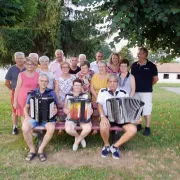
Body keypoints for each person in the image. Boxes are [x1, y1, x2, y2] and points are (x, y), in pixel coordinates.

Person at [97, 74, 138, 159]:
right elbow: (99, 104)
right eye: (110, 81)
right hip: (108, 117)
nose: (112, 83)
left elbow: (129, 107)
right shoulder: (102, 91)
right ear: (107, 83)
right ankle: (107, 145)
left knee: (133, 129)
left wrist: (136, 117)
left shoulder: (124, 92)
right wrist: (102, 116)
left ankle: (115, 146)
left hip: (121, 117)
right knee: (103, 126)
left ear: (117, 83)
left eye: (114, 81)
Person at [22, 74, 58, 161]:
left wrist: (55, 111)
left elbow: (55, 107)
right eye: (42, 81)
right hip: (34, 118)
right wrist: (27, 116)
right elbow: (26, 107)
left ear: (48, 83)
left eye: (46, 81)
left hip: (48, 119)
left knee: (51, 128)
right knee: (25, 128)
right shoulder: (32, 93)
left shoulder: (52, 93)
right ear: (38, 81)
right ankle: (32, 150)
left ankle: (40, 150)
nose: (44, 83)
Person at [131, 47, 158, 136]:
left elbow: (155, 79)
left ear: (146, 55)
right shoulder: (134, 65)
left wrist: (148, 86)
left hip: (146, 92)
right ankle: (139, 125)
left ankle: (147, 127)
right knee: (137, 109)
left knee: (146, 110)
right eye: (138, 53)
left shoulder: (151, 65)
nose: (139, 54)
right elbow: (131, 78)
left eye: (141, 53)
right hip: (135, 91)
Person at [64, 79, 93, 151]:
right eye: (75, 85)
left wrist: (91, 111)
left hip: (83, 118)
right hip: (71, 118)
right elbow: (64, 108)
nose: (77, 87)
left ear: (81, 86)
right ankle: (80, 137)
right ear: (73, 86)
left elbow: (90, 108)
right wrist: (66, 110)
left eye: (79, 85)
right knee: (68, 129)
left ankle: (76, 142)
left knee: (88, 128)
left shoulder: (86, 96)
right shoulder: (68, 96)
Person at [5, 52, 26, 134]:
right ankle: (15, 127)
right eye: (18, 58)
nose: (20, 60)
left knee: (26, 109)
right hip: (15, 92)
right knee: (15, 109)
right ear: (15, 59)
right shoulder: (12, 69)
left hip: (26, 93)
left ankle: (26, 126)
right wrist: (13, 89)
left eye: (21, 58)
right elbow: (7, 83)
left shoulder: (28, 68)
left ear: (24, 59)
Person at [13, 57, 39, 123]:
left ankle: (31, 130)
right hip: (22, 98)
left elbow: (39, 86)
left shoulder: (37, 74)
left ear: (34, 65)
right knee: (24, 115)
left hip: (34, 97)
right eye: (27, 64)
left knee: (32, 114)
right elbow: (17, 88)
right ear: (25, 65)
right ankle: (25, 130)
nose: (29, 66)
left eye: (31, 64)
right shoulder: (21, 75)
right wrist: (15, 101)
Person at [90, 61, 109, 134]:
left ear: (106, 67)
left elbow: (110, 88)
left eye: (102, 66)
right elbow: (91, 88)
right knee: (95, 114)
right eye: (99, 67)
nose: (101, 68)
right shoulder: (95, 76)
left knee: (105, 114)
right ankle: (95, 128)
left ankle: (105, 126)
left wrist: (101, 97)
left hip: (105, 98)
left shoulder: (109, 76)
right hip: (95, 97)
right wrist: (96, 96)